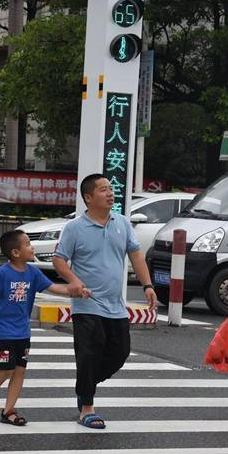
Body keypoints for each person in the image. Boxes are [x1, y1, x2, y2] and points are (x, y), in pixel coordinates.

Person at [52, 174, 157, 430]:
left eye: (111, 189)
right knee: (88, 354)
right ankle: (87, 407)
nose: (110, 193)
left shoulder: (122, 222)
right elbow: (59, 260)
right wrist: (74, 282)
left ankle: (84, 387)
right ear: (88, 197)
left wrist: (148, 286)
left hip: (115, 305)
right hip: (86, 304)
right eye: (103, 190)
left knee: (119, 354)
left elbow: (136, 256)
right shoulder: (75, 228)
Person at [0, 229, 89, 426]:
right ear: (16, 252)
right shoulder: (3, 273)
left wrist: (75, 291)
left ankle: (9, 410)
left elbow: (54, 288)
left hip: (23, 332)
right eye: (28, 243)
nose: (32, 247)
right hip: (4, 331)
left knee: (19, 370)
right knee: (4, 369)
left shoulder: (33, 273)